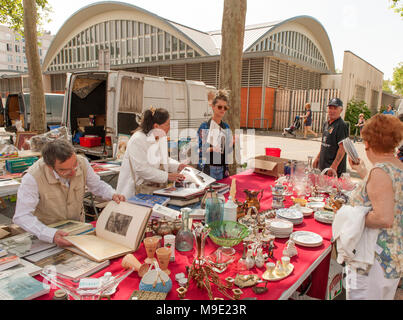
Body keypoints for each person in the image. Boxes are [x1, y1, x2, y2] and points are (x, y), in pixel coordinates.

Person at [13, 139, 126, 247]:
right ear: (49, 166)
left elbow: (97, 185)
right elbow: (22, 216)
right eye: (64, 170)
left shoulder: (82, 162)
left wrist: (112, 194)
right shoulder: (32, 177)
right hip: (47, 236)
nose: (73, 172)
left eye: (74, 165)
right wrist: (50, 234)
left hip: (77, 230)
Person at [345, 114, 403, 300]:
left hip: (371, 260)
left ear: (368, 142)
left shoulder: (380, 171)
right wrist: (362, 171)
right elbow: (385, 195)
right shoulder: (396, 166)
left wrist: (349, 214)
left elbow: (384, 218)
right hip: (390, 258)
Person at [116, 107, 188, 199]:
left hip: (152, 192)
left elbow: (163, 160)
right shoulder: (137, 139)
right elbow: (141, 169)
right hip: (134, 192)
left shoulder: (160, 137)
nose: (169, 128)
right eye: (167, 124)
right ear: (156, 126)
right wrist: (168, 176)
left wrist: (178, 166)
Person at [197, 89, 232, 180]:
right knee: (208, 194)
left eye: (225, 107)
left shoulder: (226, 127)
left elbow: (228, 151)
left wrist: (232, 143)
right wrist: (213, 148)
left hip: (222, 169)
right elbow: (200, 150)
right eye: (220, 107)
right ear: (213, 106)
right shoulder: (205, 126)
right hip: (208, 169)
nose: (223, 110)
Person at [313, 98, 349, 177]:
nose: (332, 111)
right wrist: (318, 158)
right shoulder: (326, 124)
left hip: (333, 170)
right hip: (323, 167)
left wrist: (334, 166)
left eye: (335, 108)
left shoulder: (341, 125)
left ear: (341, 110)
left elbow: (342, 148)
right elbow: (324, 143)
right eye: (330, 108)